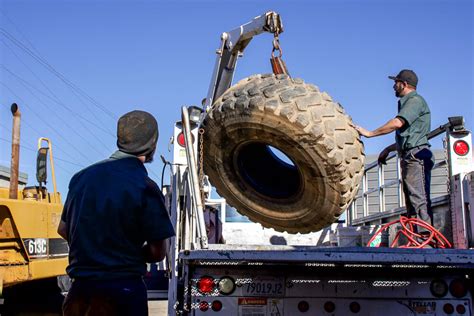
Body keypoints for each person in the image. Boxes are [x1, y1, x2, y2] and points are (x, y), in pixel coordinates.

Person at [58, 110, 175, 316]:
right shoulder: (145, 186)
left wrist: (94, 249)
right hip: (123, 294)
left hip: (79, 295)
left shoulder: (80, 178)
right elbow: (158, 253)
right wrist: (124, 253)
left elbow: (62, 229)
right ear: (152, 144)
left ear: (120, 139)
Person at [355, 69, 435, 233]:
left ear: (404, 84)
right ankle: (416, 238)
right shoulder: (408, 102)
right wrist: (388, 149)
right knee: (412, 201)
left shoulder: (414, 101)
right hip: (411, 155)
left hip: (416, 157)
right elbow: (409, 137)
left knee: (419, 200)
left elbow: (397, 123)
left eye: (395, 83)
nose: (393, 86)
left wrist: (370, 133)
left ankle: (425, 240)